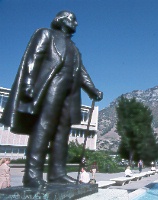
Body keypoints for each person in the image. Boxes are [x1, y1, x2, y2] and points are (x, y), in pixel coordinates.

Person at [0, 11, 103, 188]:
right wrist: (28, 83)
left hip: (69, 95)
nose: (76, 23)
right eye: (72, 19)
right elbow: (33, 58)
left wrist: (92, 89)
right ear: (60, 20)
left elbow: (81, 72)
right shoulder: (45, 34)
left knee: (62, 134)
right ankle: (32, 175)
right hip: (50, 90)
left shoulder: (75, 49)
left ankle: (57, 174)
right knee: (43, 129)